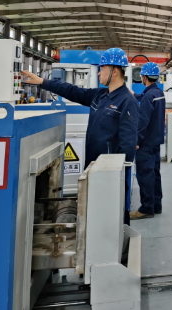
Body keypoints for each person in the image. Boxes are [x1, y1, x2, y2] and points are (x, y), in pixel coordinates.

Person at [21, 48, 139, 225]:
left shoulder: (127, 101)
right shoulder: (100, 95)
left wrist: (117, 175)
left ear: (114, 71)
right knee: (95, 213)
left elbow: (128, 145)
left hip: (110, 173)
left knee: (113, 215)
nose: (99, 72)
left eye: (102, 68)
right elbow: (72, 91)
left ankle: (120, 239)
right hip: (92, 167)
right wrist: (42, 82)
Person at [130, 62, 165, 220]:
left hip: (146, 143)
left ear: (144, 77)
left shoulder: (149, 96)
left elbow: (142, 121)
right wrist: (133, 94)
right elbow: (145, 99)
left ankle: (146, 208)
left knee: (144, 175)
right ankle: (156, 205)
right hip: (155, 141)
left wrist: (137, 140)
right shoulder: (158, 92)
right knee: (154, 174)